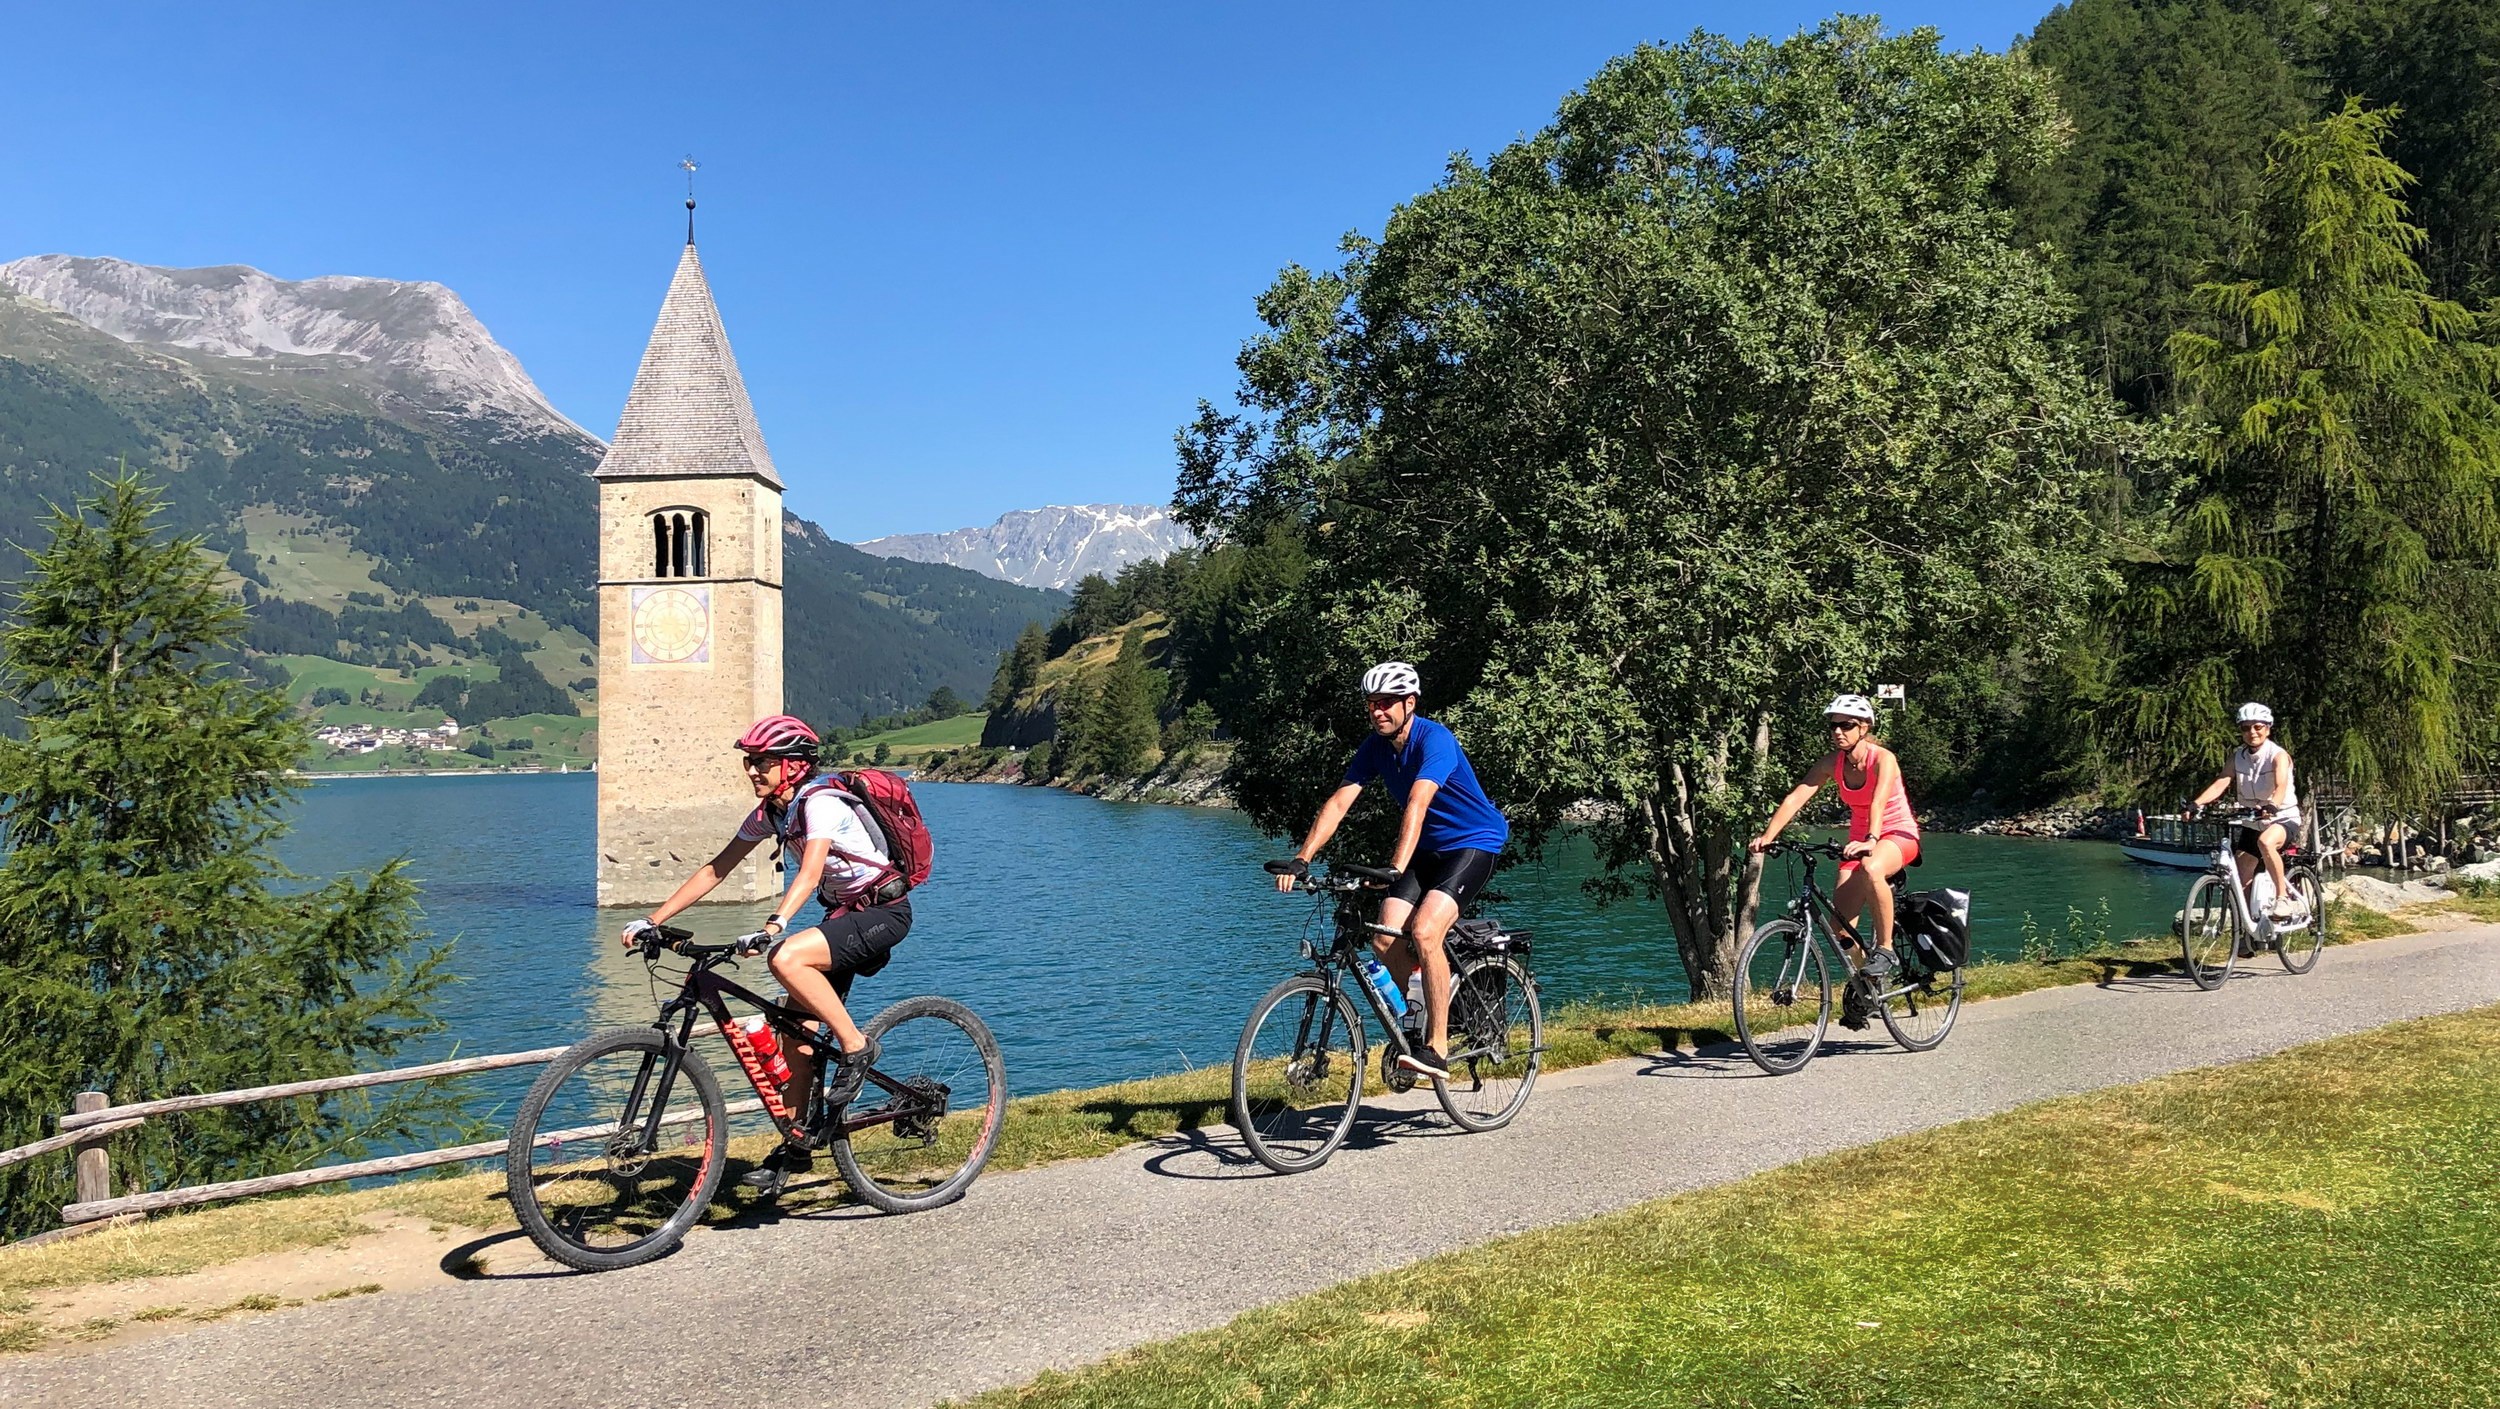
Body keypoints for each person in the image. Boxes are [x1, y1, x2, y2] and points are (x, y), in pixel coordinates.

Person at [621, 714, 911, 1195]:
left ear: (793, 766)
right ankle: (796, 1147)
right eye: (749, 762)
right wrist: (653, 920)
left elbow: (811, 872)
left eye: (762, 762)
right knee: (794, 1039)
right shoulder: (772, 813)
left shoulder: (821, 804)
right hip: (843, 918)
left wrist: (774, 925)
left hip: (884, 913)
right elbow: (717, 868)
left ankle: (857, 1047)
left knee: (784, 958)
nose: (752, 770)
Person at [1274, 662, 1510, 1079]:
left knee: (1424, 931)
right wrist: (1303, 857)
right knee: (1383, 937)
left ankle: (1436, 1048)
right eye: (1372, 704)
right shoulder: (1375, 747)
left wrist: (1396, 867)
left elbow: (1418, 803)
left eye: (1386, 703)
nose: (1378, 712)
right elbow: (1340, 802)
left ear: (1410, 703)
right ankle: (1424, 1015)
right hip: (1428, 849)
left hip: (1473, 843)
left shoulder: (1435, 740)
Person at [1749, 695, 1921, 1005]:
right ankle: (1868, 988)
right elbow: (1796, 798)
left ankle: (1886, 949)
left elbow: (1878, 801)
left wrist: (1871, 839)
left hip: (1896, 834)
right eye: (1833, 726)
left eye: (1846, 725)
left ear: (1864, 727)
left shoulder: (1883, 759)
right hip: (1858, 842)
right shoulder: (1831, 763)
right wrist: (1768, 837)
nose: (1838, 731)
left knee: (1872, 868)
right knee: (1840, 932)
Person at [2188, 702, 2302, 922]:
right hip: (2253, 820)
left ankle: (2282, 898)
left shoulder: (2278, 755)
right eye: (2245, 727)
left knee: (2266, 843)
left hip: (2282, 817)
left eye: (2258, 727)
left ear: (2268, 728)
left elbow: (2281, 786)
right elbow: (2221, 782)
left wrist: (2271, 806)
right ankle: (2249, 930)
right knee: (2242, 876)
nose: (2252, 732)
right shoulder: (2238, 756)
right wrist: (2196, 804)